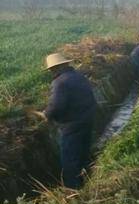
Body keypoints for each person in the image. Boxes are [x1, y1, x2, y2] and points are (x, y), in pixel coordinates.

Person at [37, 53, 98, 189]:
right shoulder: (78, 76)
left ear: (56, 68)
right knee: (83, 153)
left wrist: (47, 114)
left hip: (72, 126)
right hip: (88, 120)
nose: (51, 72)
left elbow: (56, 106)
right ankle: (87, 181)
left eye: (51, 69)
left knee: (70, 160)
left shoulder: (60, 82)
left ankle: (74, 191)